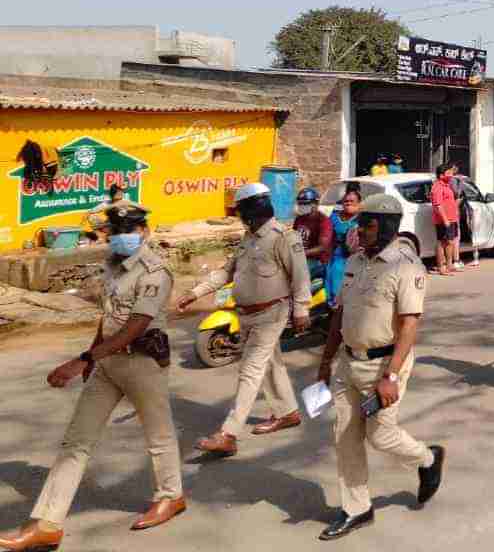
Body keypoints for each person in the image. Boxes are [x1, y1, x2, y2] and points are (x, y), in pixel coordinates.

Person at [0, 203, 184, 551]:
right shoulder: (113, 265)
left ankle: (171, 496)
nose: (119, 237)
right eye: (114, 232)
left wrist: (80, 359)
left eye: (126, 230)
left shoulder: (155, 271)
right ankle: (47, 523)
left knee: (158, 436)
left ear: (143, 231)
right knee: (76, 441)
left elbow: (134, 327)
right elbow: (110, 318)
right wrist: (91, 357)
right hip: (107, 363)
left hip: (143, 362)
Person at [316, 193, 444, 540]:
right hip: (348, 361)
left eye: (368, 224)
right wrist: (326, 360)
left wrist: (389, 376)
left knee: (380, 435)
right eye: (360, 223)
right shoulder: (356, 261)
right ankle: (356, 508)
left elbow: (409, 326)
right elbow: (340, 313)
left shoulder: (406, 265)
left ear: (387, 226)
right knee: (345, 438)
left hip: (385, 365)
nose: (361, 230)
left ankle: (428, 459)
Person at [178, 183, 311, 456]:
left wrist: (301, 310)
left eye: (241, 210)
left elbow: (300, 276)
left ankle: (229, 433)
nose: (240, 215)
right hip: (246, 315)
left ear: (251, 210)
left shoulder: (284, 237)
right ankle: (288, 412)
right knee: (271, 364)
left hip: (271, 314)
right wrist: (194, 293)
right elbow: (227, 272)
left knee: (250, 369)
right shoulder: (248, 238)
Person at [293, 187, 334, 280]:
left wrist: (301, 253)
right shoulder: (300, 218)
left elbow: (322, 247)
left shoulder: (323, 221)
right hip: (301, 256)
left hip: (317, 260)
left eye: (305, 203)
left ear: (315, 204)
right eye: (300, 203)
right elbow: (293, 237)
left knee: (297, 277)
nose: (301, 206)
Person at [431, 164, 460, 276]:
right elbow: (437, 205)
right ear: (441, 175)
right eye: (448, 173)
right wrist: (445, 219)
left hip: (451, 219)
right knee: (442, 243)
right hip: (443, 220)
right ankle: (441, 267)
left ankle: (449, 265)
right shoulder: (437, 187)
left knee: (450, 242)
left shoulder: (447, 185)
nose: (451, 175)